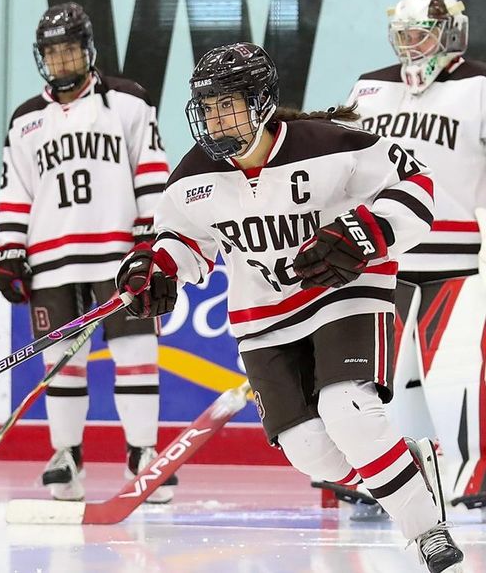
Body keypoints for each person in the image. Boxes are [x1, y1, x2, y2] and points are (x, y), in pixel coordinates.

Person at [116, 41, 463, 572]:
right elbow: (180, 240)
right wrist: (156, 272)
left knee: (349, 411)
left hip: (344, 292)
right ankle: (405, 471)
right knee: (309, 450)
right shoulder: (192, 175)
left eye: (226, 103)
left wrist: (365, 234)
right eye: (207, 106)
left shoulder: (330, 144)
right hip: (264, 316)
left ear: (260, 102)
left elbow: (417, 183)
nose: (215, 118)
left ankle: (426, 533)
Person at [0, 2, 173, 501]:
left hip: (118, 255)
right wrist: (8, 250)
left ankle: (143, 454)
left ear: (88, 50)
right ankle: (67, 455)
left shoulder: (129, 102)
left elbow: (152, 174)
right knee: (61, 363)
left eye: (70, 50)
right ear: (41, 58)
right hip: (51, 258)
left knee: (136, 353)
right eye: (53, 53)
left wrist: (150, 242)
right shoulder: (26, 119)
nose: (63, 61)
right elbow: (16, 192)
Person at [346, 0, 486, 509]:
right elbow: (347, 166)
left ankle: (471, 474)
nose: (410, 46)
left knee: (458, 373)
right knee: (372, 374)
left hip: (458, 258)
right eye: (402, 35)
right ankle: (372, 476)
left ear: (449, 35)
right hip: (383, 255)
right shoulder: (368, 88)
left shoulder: (479, 86)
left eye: (421, 36)